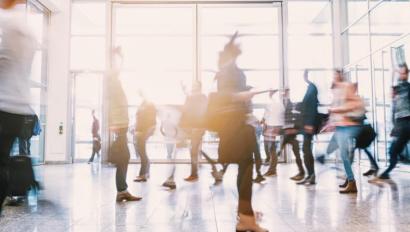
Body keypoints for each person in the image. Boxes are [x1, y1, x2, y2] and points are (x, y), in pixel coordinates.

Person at [210, 32, 268, 232]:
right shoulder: (229, 71)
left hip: (235, 125)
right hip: (235, 127)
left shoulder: (227, 70)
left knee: (245, 168)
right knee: (246, 168)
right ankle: (245, 218)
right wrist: (245, 94)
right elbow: (226, 96)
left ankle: (245, 216)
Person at [0, 0, 39, 214]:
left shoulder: (9, 23)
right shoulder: (27, 29)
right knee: (2, 162)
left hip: (4, 104)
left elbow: (4, 61)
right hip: (18, 106)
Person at [107, 46, 141, 202]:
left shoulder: (114, 80)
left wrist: (121, 57)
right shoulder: (111, 80)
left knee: (124, 157)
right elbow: (108, 103)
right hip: (118, 123)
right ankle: (122, 190)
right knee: (124, 156)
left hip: (121, 123)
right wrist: (111, 121)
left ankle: (122, 190)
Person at [370, 63, 410, 182]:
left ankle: (385, 173)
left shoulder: (407, 88)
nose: (401, 75)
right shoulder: (397, 88)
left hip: (406, 123)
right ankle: (386, 172)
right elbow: (392, 100)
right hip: (399, 124)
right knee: (393, 151)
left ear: (407, 74)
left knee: (393, 150)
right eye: (400, 73)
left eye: (403, 73)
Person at [329, 81, 365, 194]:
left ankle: (351, 182)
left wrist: (333, 110)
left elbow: (345, 110)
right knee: (345, 155)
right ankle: (349, 180)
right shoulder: (348, 100)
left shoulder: (356, 100)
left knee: (345, 155)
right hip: (346, 130)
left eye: (348, 89)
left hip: (351, 131)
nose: (346, 91)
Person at [296, 70, 319, 185]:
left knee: (306, 150)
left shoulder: (312, 88)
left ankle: (311, 175)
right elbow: (306, 105)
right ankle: (310, 175)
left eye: (305, 74)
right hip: (306, 125)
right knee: (306, 150)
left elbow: (312, 106)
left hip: (308, 126)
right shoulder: (310, 88)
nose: (304, 77)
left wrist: (309, 124)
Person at [278, 89, 305, 181]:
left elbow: (297, 119)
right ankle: (301, 172)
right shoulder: (285, 104)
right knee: (296, 152)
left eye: (286, 94)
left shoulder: (294, 106)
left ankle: (302, 172)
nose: (284, 95)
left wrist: (295, 130)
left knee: (296, 154)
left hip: (291, 133)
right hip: (288, 132)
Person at [133, 93, 157, 182]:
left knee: (142, 153)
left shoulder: (150, 105)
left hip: (143, 132)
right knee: (141, 152)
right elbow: (139, 118)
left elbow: (153, 122)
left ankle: (143, 174)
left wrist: (147, 132)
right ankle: (146, 173)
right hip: (139, 131)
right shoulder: (143, 104)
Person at [261, 90, 284, 178]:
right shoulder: (280, 103)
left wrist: (262, 122)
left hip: (271, 127)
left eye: (270, 93)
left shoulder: (270, 102)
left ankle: (272, 170)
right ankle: (272, 168)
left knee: (271, 149)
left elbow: (266, 115)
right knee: (272, 148)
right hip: (278, 127)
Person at [247, 114, 265, 183]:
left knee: (250, 157)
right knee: (257, 155)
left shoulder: (246, 117)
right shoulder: (253, 117)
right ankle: (259, 174)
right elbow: (259, 128)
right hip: (255, 138)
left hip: (251, 138)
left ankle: (256, 175)